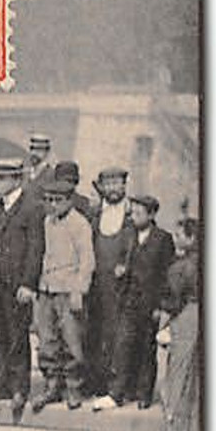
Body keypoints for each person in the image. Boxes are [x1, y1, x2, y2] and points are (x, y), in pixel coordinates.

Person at [93, 195, 173, 412]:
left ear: (152, 214)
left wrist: (161, 306)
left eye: (139, 213)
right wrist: (120, 270)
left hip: (150, 304)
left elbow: (168, 276)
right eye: (132, 213)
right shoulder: (128, 235)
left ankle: (144, 394)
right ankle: (116, 392)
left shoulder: (163, 239)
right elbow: (121, 261)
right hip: (128, 301)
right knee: (123, 345)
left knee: (147, 349)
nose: (134, 218)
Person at [0, 157, 43, 422]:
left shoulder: (31, 208)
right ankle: (1, 385)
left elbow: (35, 250)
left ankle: (19, 389)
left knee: (17, 337)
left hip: (17, 286)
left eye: (1, 178)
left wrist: (28, 283)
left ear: (16, 179)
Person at [31, 177, 95, 411]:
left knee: (72, 341)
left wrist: (80, 289)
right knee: (47, 340)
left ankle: (73, 387)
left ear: (69, 200)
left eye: (58, 200)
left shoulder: (79, 224)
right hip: (47, 288)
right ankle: (51, 385)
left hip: (69, 289)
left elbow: (87, 261)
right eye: (49, 200)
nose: (53, 205)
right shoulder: (48, 222)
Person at [86, 167, 134, 398]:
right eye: (109, 183)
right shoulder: (95, 215)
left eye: (118, 183)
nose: (114, 188)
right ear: (102, 187)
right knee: (96, 333)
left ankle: (121, 387)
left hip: (121, 288)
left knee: (118, 336)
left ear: (124, 186)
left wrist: (125, 266)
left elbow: (137, 248)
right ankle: (98, 383)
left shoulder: (132, 215)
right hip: (97, 285)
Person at [158, 217, 200, 431]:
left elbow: (172, 300)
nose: (175, 239)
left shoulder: (180, 267)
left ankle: (176, 425)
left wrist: (162, 323)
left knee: (179, 369)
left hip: (186, 314)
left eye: (179, 235)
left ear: (191, 238)